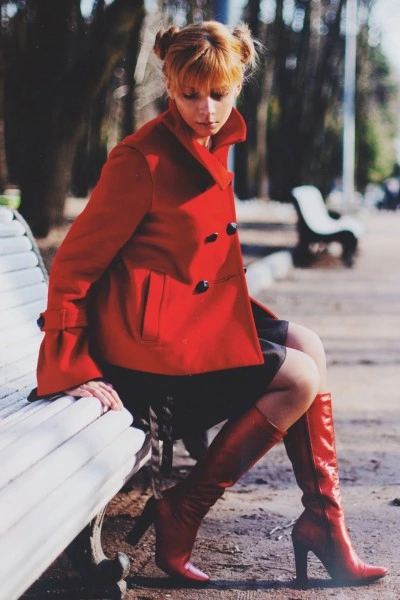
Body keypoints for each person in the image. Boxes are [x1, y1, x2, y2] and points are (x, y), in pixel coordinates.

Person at [31, 20, 388, 587]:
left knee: (309, 346)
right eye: (188, 94)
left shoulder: (209, 145)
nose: (205, 108)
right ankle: (184, 510)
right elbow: (74, 265)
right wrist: (70, 363)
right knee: (296, 378)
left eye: (218, 94)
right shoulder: (140, 160)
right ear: (170, 87)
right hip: (147, 360)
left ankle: (324, 520)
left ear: (238, 82)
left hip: (186, 334)